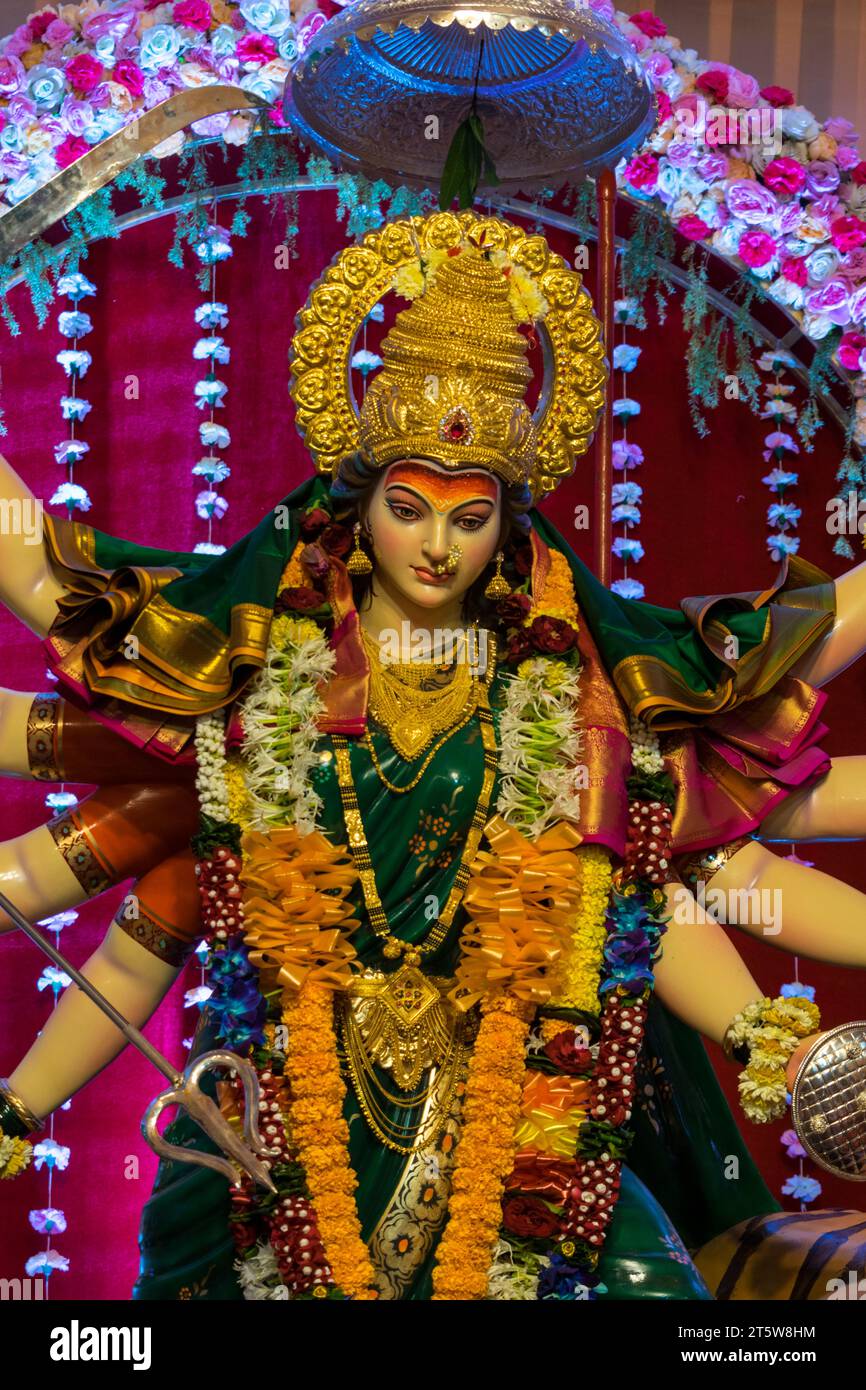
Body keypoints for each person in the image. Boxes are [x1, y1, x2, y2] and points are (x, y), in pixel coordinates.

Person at [1, 210, 865, 1301]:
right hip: (284, 1132)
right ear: (360, 506)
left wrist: (755, 1033)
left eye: (471, 518)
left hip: (515, 1133)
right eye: (409, 509)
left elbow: (640, 902)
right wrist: (20, 1105)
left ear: (508, 526)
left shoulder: (565, 696)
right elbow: (141, 942)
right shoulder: (259, 677)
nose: (437, 547)